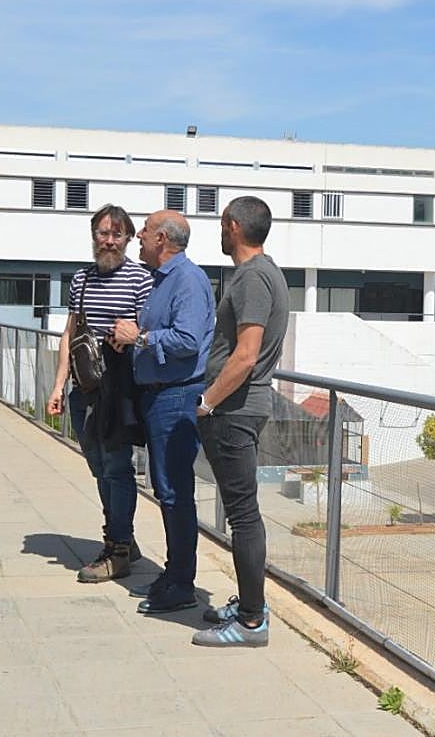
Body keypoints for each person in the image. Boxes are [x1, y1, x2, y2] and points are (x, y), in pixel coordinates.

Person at [192, 197, 289, 648]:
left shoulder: (253, 277)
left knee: (243, 516)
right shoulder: (266, 273)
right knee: (243, 513)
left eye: (221, 224)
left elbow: (246, 354)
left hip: (234, 410)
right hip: (240, 408)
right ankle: (252, 605)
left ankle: (251, 622)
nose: (220, 231)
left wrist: (207, 403)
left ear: (232, 226)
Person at [111, 210, 214, 613]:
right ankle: (174, 574)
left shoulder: (187, 280)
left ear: (163, 240)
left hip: (176, 395)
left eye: (146, 230)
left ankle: (181, 581)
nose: (139, 235)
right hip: (158, 395)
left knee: (174, 491)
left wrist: (141, 337)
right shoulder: (162, 280)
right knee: (166, 488)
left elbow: (188, 339)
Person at [46, 204, 151, 582]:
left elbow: (143, 335)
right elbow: (71, 334)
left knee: (117, 469)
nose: (108, 241)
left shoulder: (141, 279)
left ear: (127, 238)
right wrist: (58, 385)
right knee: (99, 468)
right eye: (102, 233)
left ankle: (118, 548)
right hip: (84, 389)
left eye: (116, 234)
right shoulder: (82, 280)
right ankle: (123, 537)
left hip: (119, 391)